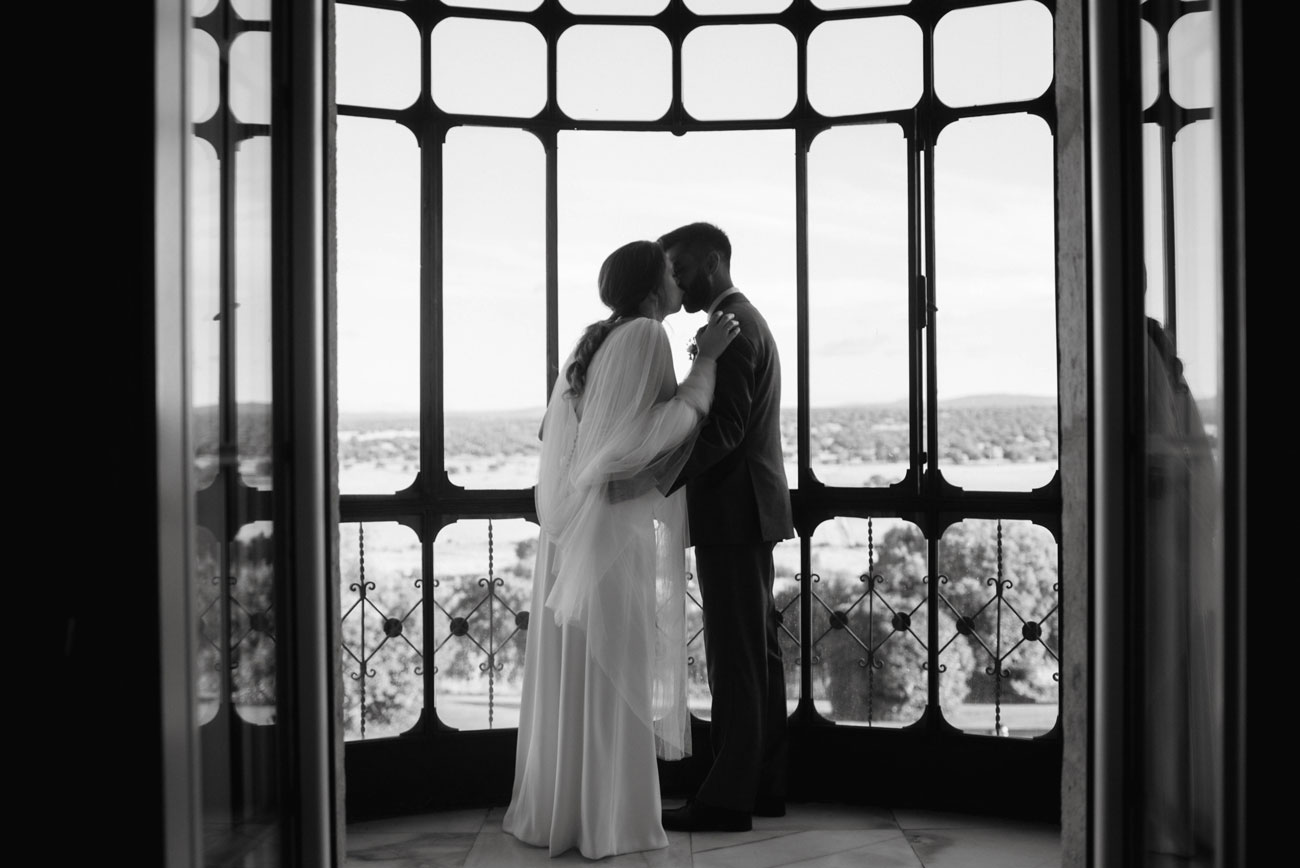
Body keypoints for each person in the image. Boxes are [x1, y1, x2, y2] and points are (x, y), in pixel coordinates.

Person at [502, 239, 741, 859]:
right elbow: (659, 429)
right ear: (648, 287)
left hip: (575, 531)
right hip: (609, 534)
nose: (678, 282)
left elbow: (561, 433)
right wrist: (706, 364)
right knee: (613, 664)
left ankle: (567, 806)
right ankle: (607, 818)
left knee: (583, 664)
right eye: (669, 272)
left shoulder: (595, 339)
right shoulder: (645, 335)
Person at [656, 222, 795, 833]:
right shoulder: (739, 319)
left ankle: (726, 799)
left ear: (712, 262)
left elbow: (727, 431)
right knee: (756, 655)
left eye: (680, 268)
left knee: (735, 658)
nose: (675, 280)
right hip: (748, 511)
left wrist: (656, 477)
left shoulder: (731, 328)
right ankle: (764, 783)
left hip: (733, 514)